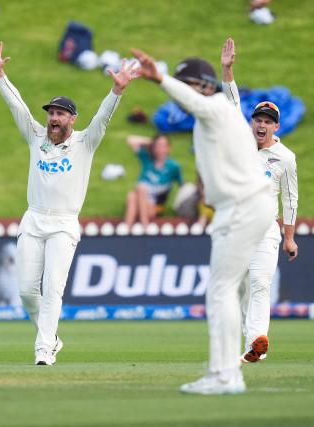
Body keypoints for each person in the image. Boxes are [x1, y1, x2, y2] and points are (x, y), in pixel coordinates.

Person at [0, 40, 138, 366]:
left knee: (53, 289)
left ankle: (43, 350)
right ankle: (51, 337)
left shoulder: (86, 142)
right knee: (27, 291)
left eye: (59, 114)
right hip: (34, 219)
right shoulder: (36, 137)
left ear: (72, 119)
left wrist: (117, 91)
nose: (53, 118)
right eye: (51, 113)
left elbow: (103, 119)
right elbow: (17, 106)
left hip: (64, 223)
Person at [132, 44, 274, 395]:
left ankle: (225, 375)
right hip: (243, 205)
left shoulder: (213, 107)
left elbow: (195, 99)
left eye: (187, 85)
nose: (183, 94)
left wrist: (161, 78)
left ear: (203, 85)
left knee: (220, 289)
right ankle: (226, 373)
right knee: (228, 288)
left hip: (242, 205)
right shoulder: (217, 111)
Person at [220, 37, 299, 364]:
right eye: (258, 120)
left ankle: (256, 344)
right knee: (238, 287)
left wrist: (290, 238)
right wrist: (227, 69)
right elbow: (232, 102)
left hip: (267, 228)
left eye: (267, 121)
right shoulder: (241, 139)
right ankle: (250, 340)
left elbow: (292, 199)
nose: (261, 125)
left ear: (276, 126)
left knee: (260, 284)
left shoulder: (285, 157)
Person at [123, 134, 182, 228]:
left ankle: (141, 225)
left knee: (139, 189)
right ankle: (129, 228)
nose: (160, 149)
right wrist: (151, 142)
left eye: (163, 146)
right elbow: (131, 140)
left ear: (168, 148)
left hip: (154, 206)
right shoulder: (147, 159)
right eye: (158, 145)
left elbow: (181, 185)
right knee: (132, 196)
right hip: (139, 201)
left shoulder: (173, 166)